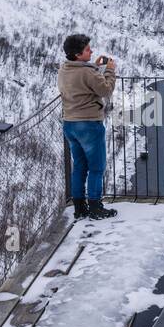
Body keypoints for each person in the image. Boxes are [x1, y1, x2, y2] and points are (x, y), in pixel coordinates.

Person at [58, 33, 119, 220]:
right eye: (87, 49)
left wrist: (95, 67)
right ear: (77, 54)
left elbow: (83, 80)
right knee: (97, 167)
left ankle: (79, 207)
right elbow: (105, 90)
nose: (91, 51)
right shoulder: (87, 72)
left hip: (70, 124)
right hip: (89, 125)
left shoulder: (65, 69)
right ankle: (95, 208)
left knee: (80, 166)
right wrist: (109, 70)